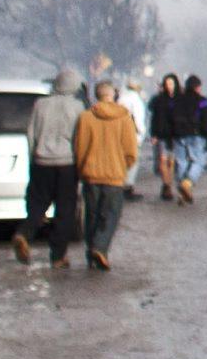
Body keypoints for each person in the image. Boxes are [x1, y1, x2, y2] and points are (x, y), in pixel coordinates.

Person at [70, 78, 142, 271]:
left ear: (96, 95)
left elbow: (80, 147)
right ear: (113, 95)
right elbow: (131, 150)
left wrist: (82, 168)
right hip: (115, 175)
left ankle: (91, 251)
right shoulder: (124, 117)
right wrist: (123, 167)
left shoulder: (86, 117)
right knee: (111, 214)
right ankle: (100, 248)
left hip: (91, 174)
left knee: (92, 215)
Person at [20, 70, 85, 266]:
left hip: (41, 162)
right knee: (65, 209)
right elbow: (79, 138)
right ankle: (58, 255)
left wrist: (33, 157)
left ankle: (24, 233)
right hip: (67, 163)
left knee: (38, 202)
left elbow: (30, 134)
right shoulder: (78, 107)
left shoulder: (40, 105)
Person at [165, 76, 207, 206]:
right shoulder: (202, 101)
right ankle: (187, 183)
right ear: (198, 87)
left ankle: (181, 194)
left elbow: (170, 117)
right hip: (197, 136)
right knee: (198, 162)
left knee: (182, 162)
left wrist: (171, 135)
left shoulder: (176, 101)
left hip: (179, 136)